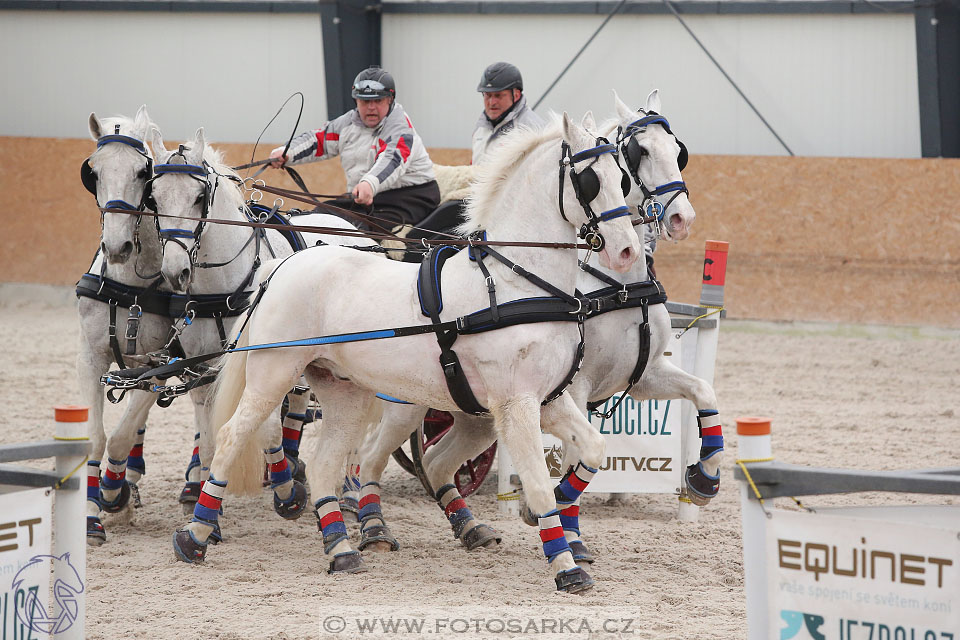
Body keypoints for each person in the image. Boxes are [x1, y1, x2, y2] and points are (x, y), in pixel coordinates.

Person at [269, 66, 440, 232]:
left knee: (359, 230)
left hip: (412, 198)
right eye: (365, 101)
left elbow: (392, 160)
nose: (371, 107)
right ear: (356, 101)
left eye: (378, 100)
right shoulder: (346, 124)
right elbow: (318, 140)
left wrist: (369, 184)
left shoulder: (400, 127)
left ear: (390, 99)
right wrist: (287, 152)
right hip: (367, 196)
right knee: (322, 216)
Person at [472, 62, 545, 166]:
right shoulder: (480, 127)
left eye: (498, 95)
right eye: (487, 95)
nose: (492, 102)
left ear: (516, 95)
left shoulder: (533, 130)